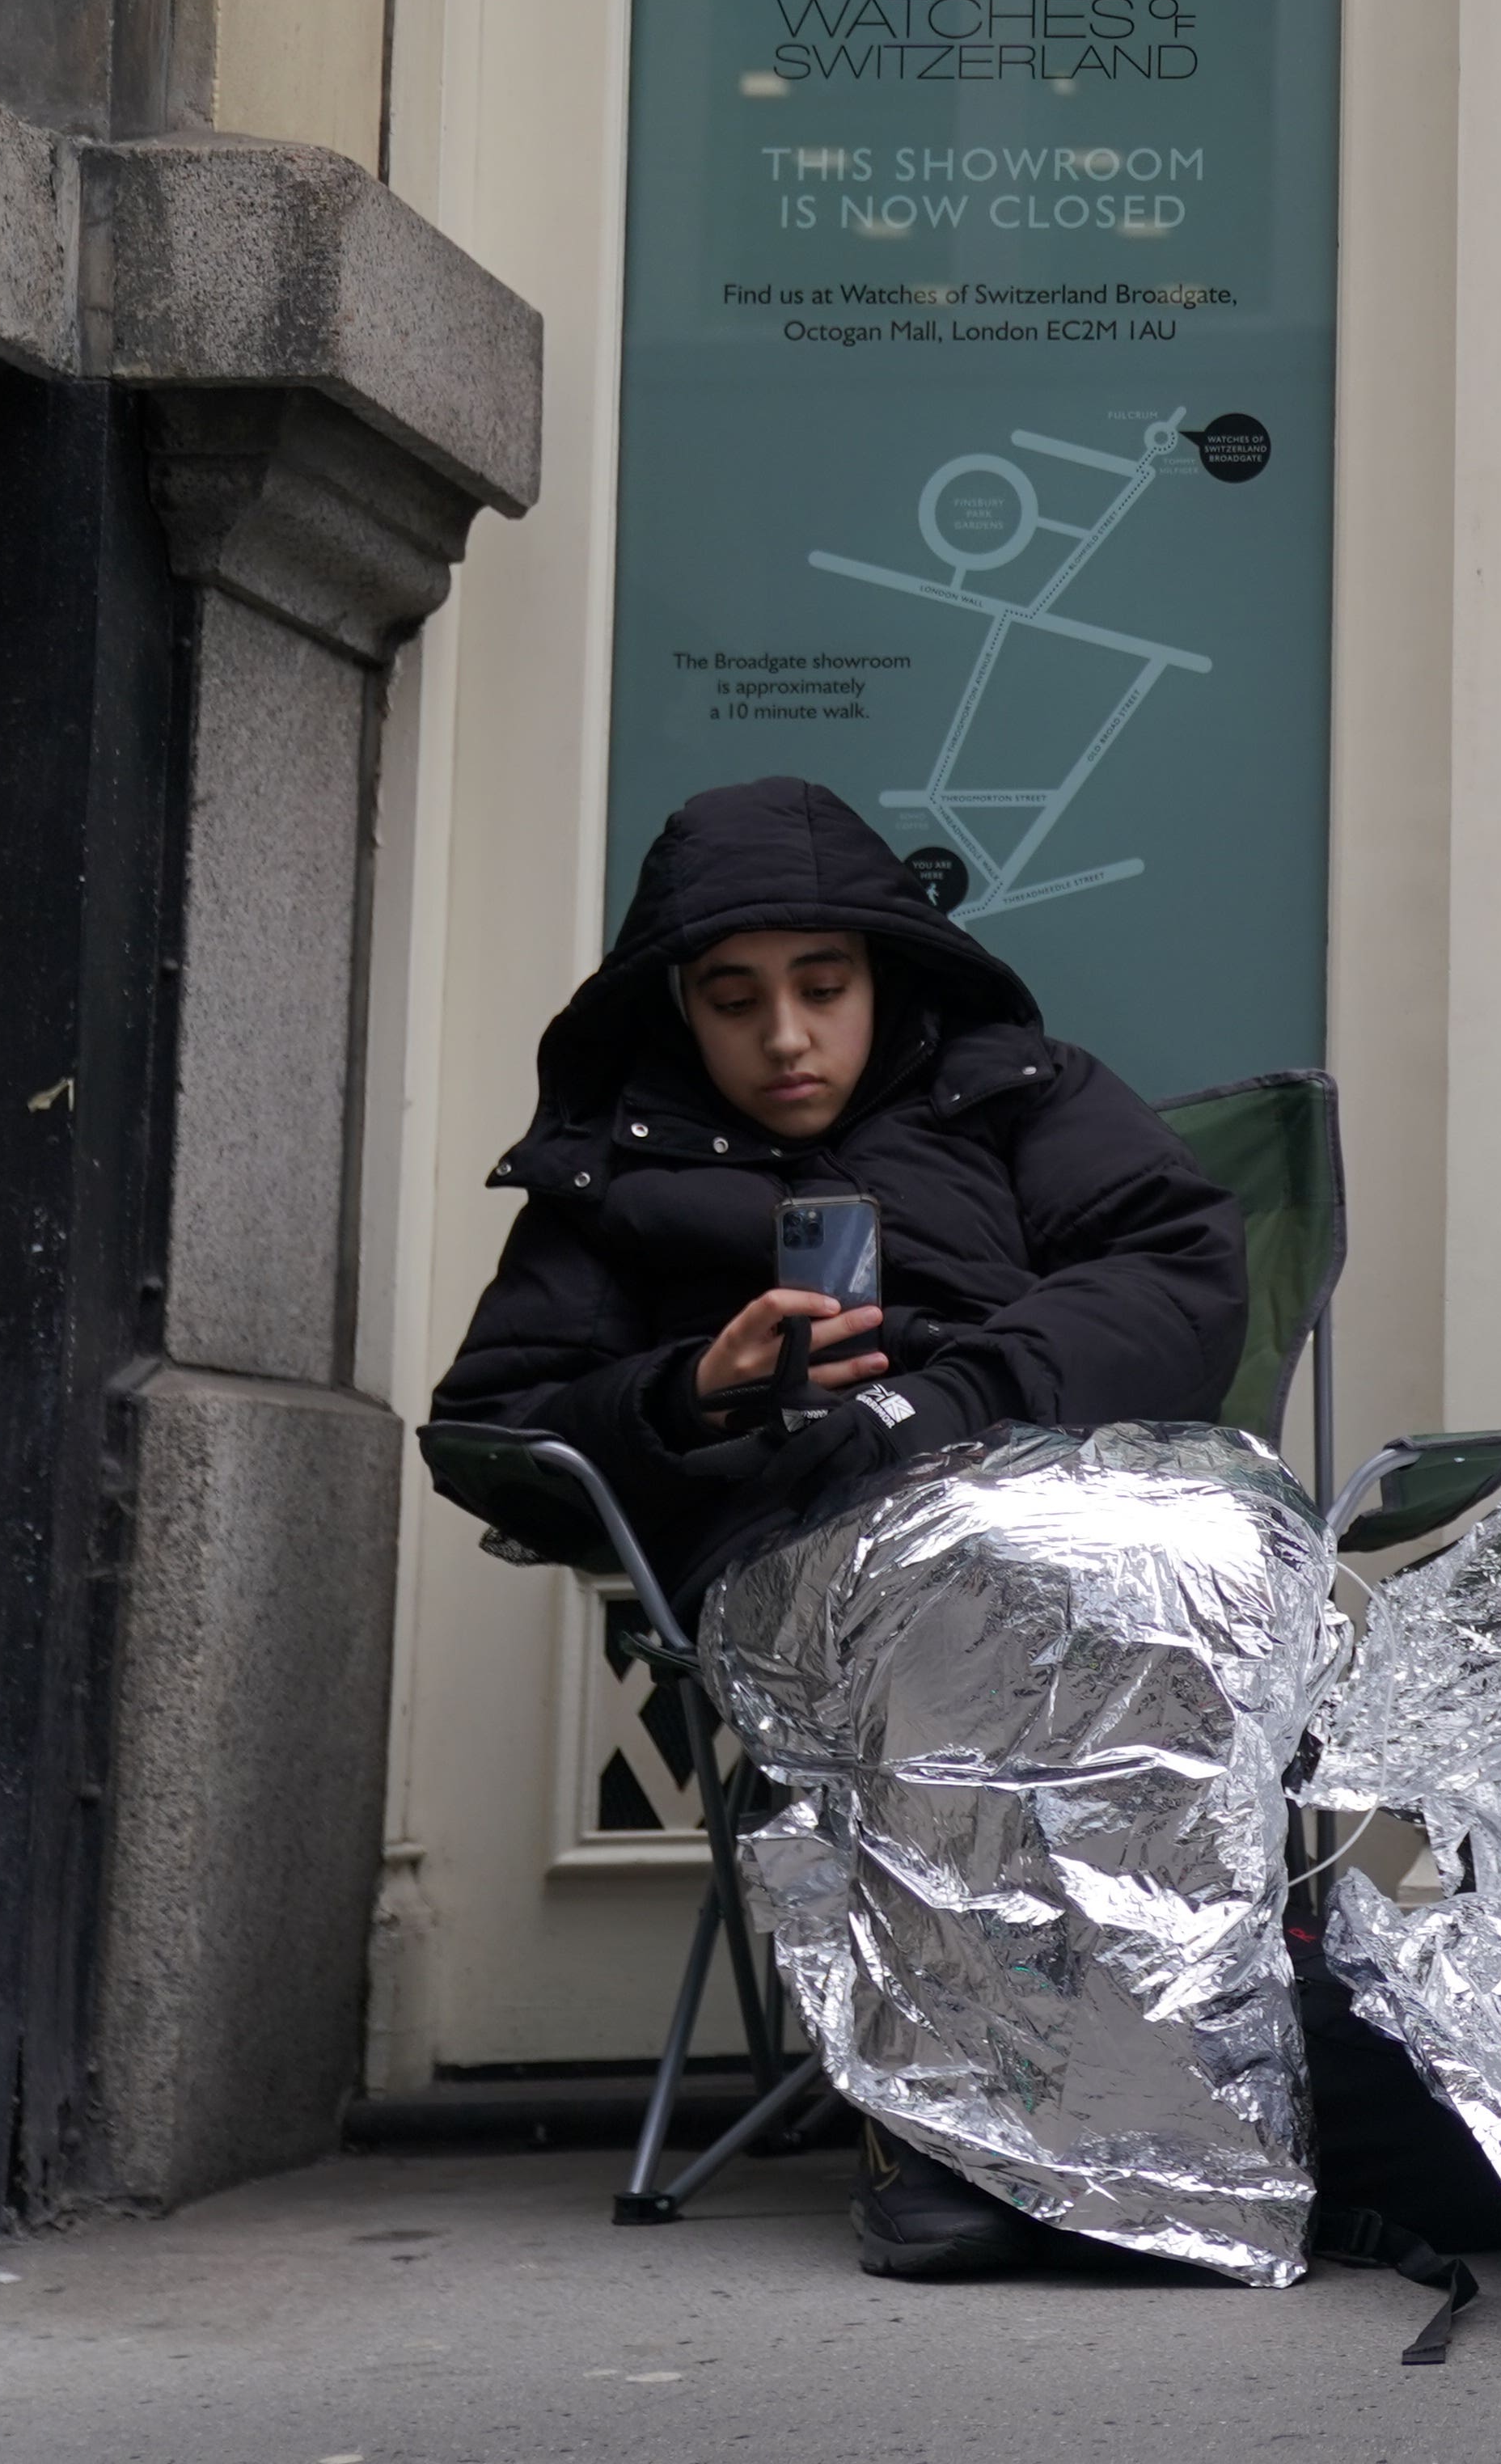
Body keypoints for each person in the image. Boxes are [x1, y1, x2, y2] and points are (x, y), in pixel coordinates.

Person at [436, 777, 1254, 2282]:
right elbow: (494, 1426)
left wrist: (948, 1403)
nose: (788, 1038)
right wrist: (694, 1394)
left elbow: (1177, 1271)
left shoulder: (1018, 1092)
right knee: (961, 1602)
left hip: (1052, 1497)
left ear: (886, 972)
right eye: (735, 1001)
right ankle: (955, 2130)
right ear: (680, 1008)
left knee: (1187, 1566)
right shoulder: (612, 1167)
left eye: (824, 987)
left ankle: (1186, 2108)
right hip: (795, 1553)